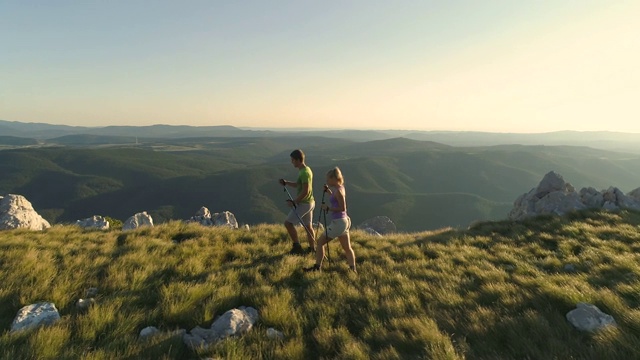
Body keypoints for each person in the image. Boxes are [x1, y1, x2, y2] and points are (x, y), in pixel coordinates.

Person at [304, 167, 356, 273]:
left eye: (328, 179)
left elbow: (343, 208)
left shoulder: (339, 192)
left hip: (339, 222)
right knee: (347, 247)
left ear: (334, 178)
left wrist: (328, 208)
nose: (327, 181)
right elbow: (335, 199)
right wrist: (328, 192)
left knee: (319, 243)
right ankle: (353, 269)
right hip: (344, 221)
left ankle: (317, 267)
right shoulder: (339, 188)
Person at [279, 149, 316, 255]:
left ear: (299, 160)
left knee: (288, 223)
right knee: (308, 227)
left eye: (293, 160)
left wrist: (295, 202)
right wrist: (286, 183)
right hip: (310, 202)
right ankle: (312, 248)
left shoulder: (304, 173)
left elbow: (306, 190)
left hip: (304, 203)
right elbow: (299, 185)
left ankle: (297, 246)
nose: (292, 162)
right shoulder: (306, 170)